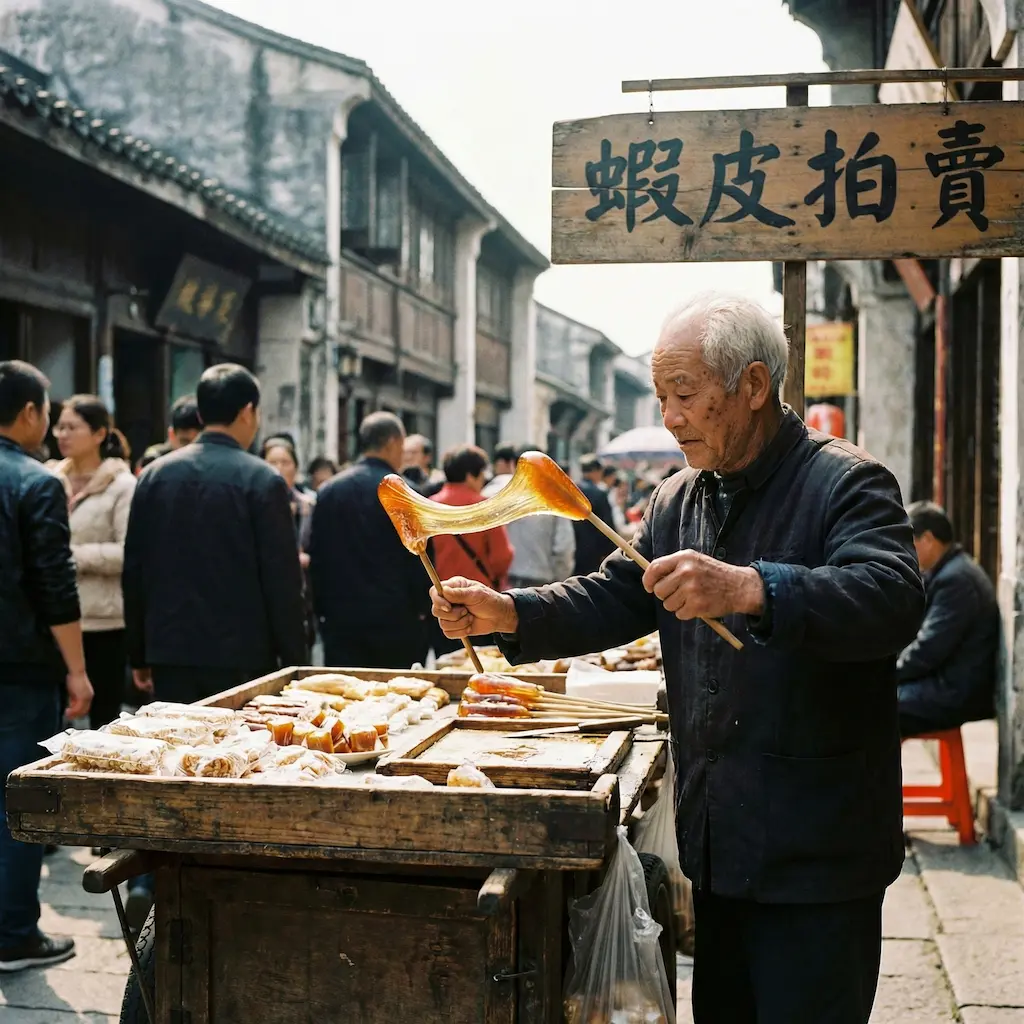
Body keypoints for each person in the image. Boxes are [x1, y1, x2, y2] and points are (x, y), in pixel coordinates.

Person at [430, 293, 925, 1024]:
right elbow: (616, 595)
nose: (670, 417)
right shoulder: (678, 498)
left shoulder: (845, 482)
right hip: (718, 840)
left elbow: (890, 598)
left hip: (816, 847)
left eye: (686, 395)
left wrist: (753, 588)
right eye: (663, 396)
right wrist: (510, 612)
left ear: (753, 387)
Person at [123, 363, 307, 703]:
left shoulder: (154, 476)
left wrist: (138, 652)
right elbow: (282, 580)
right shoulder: (262, 480)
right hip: (243, 654)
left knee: (178, 752)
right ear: (248, 411)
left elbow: (134, 570)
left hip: (170, 649)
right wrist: (297, 660)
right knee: (237, 752)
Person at [0, 360, 92, 972]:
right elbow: (55, 587)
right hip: (19, 666)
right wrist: (77, 670)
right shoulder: (35, 484)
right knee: (19, 798)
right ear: (30, 413)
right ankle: (11, 933)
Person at [310, 412, 431, 668]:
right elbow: (421, 559)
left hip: (341, 619)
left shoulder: (330, 490)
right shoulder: (406, 492)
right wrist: (423, 608)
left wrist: (320, 610)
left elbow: (317, 558)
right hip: (395, 618)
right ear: (392, 443)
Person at [51, 395, 136, 730]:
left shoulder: (122, 485)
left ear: (100, 434)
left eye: (72, 427)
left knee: (104, 720)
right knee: (55, 719)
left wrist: (68, 557)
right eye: (59, 426)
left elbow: (127, 552)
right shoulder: (49, 480)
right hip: (56, 617)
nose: (62, 434)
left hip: (104, 621)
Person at [897, 501, 999, 737]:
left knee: (870, 704)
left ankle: (873, 774)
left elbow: (929, 649)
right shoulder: (949, 571)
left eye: (910, 542)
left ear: (929, 539)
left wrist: (887, 673)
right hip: (944, 684)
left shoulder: (957, 580)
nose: (906, 551)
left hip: (955, 693)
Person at [431, 445, 514, 652]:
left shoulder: (429, 506)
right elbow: (501, 556)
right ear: (470, 475)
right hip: (479, 600)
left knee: (446, 664)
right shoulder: (482, 506)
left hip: (440, 600)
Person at [483, 443, 575, 589]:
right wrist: (559, 580)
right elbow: (563, 546)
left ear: (513, 465)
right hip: (541, 583)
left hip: (501, 582)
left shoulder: (491, 492)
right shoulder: (555, 497)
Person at [261, 436, 316, 647]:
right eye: (272, 462)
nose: (279, 468)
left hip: (304, 591)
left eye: (285, 462)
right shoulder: (256, 502)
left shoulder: (310, 505)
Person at [572, 454, 617, 575]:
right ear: (596, 472)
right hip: (594, 553)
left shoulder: (572, 491)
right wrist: (610, 552)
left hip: (574, 550)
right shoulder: (599, 494)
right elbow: (607, 526)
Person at [136, 394, 202, 471]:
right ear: (172, 436)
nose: (191, 449)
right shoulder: (154, 461)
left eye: (198, 443)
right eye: (185, 442)